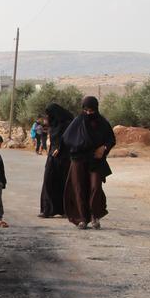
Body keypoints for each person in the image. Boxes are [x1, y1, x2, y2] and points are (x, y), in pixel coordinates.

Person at [62, 96, 116, 229]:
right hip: (79, 160)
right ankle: (82, 218)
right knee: (78, 188)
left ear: (96, 109)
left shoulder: (102, 122)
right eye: (86, 110)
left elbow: (111, 139)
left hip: (95, 160)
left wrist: (104, 148)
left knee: (95, 187)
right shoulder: (77, 122)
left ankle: (94, 216)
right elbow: (67, 139)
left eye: (91, 111)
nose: (88, 113)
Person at [39, 103, 75, 218]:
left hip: (64, 158)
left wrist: (60, 147)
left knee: (63, 183)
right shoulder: (54, 124)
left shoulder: (68, 124)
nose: (48, 116)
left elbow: (69, 138)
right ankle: (47, 209)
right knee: (48, 180)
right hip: (52, 157)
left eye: (49, 114)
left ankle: (64, 210)